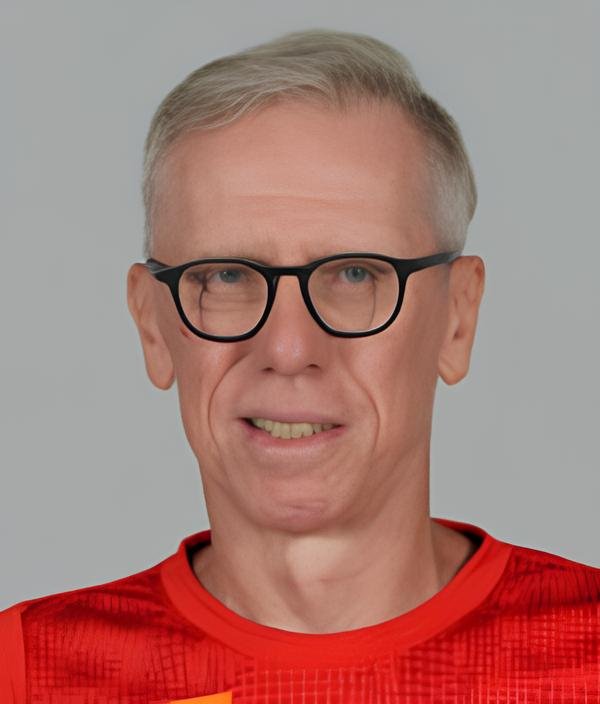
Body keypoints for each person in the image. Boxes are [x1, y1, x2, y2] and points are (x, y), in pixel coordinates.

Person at [1, 28, 598, 703]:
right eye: (226, 276)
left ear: (457, 319)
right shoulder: (27, 674)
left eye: (355, 274)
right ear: (153, 327)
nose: (288, 349)